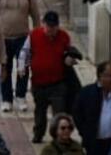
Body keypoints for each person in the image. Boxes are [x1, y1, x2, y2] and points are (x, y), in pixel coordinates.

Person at [29, 10, 74, 141]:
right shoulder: (34, 35)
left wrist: (69, 59)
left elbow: (69, 51)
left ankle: (59, 138)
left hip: (57, 83)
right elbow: (26, 54)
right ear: (43, 24)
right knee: (40, 112)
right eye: (48, 26)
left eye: (54, 26)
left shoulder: (64, 36)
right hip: (39, 83)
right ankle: (38, 134)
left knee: (59, 113)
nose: (51, 30)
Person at [71, 61, 111, 154]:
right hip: (93, 143)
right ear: (100, 76)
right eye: (108, 75)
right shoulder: (86, 93)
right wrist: (85, 133)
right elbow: (77, 114)